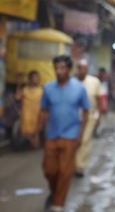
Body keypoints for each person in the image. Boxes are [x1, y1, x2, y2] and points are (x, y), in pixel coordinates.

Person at [36, 55, 90, 212]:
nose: (59, 71)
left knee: (65, 173)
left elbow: (86, 112)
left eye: (62, 68)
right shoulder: (48, 88)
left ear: (69, 69)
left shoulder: (79, 89)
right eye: (56, 68)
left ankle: (57, 205)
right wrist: (37, 133)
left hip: (71, 136)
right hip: (51, 135)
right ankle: (54, 193)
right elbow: (44, 111)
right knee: (49, 170)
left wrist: (80, 135)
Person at [74, 59, 101, 177]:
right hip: (74, 117)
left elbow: (98, 99)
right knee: (74, 140)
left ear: (88, 69)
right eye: (80, 68)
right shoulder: (72, 82)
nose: (82, 71)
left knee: (84, 140)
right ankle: (72, 164)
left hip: (89, 116)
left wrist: (98, 115)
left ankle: (80, 166)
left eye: (84, 68)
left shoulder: (94, 82)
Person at [15, 70, 43, 148]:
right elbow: (17, 97)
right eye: (34, 78)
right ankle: (31, 140)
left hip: (37, 116)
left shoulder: (41, 91)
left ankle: (34, 140)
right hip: (26, 116)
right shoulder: (25, 90)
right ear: (30, 79)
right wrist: (19, 83)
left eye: (37, 78)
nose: (36, 79)